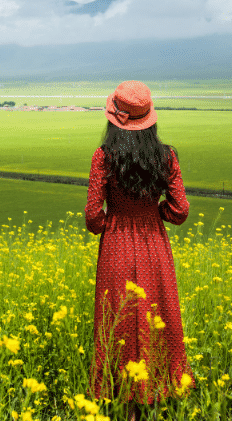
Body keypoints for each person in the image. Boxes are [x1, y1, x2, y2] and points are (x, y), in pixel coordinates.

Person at [85, 80, 196, 421]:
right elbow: (180, 211)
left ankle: (123, 403)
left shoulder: (103, 156)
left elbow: (92, 216)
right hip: (154, 247)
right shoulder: (167, 156)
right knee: (156, 316)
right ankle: (158, 394)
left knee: (118, 320)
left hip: (116, 246)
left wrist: (114, 222)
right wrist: (153, 214)